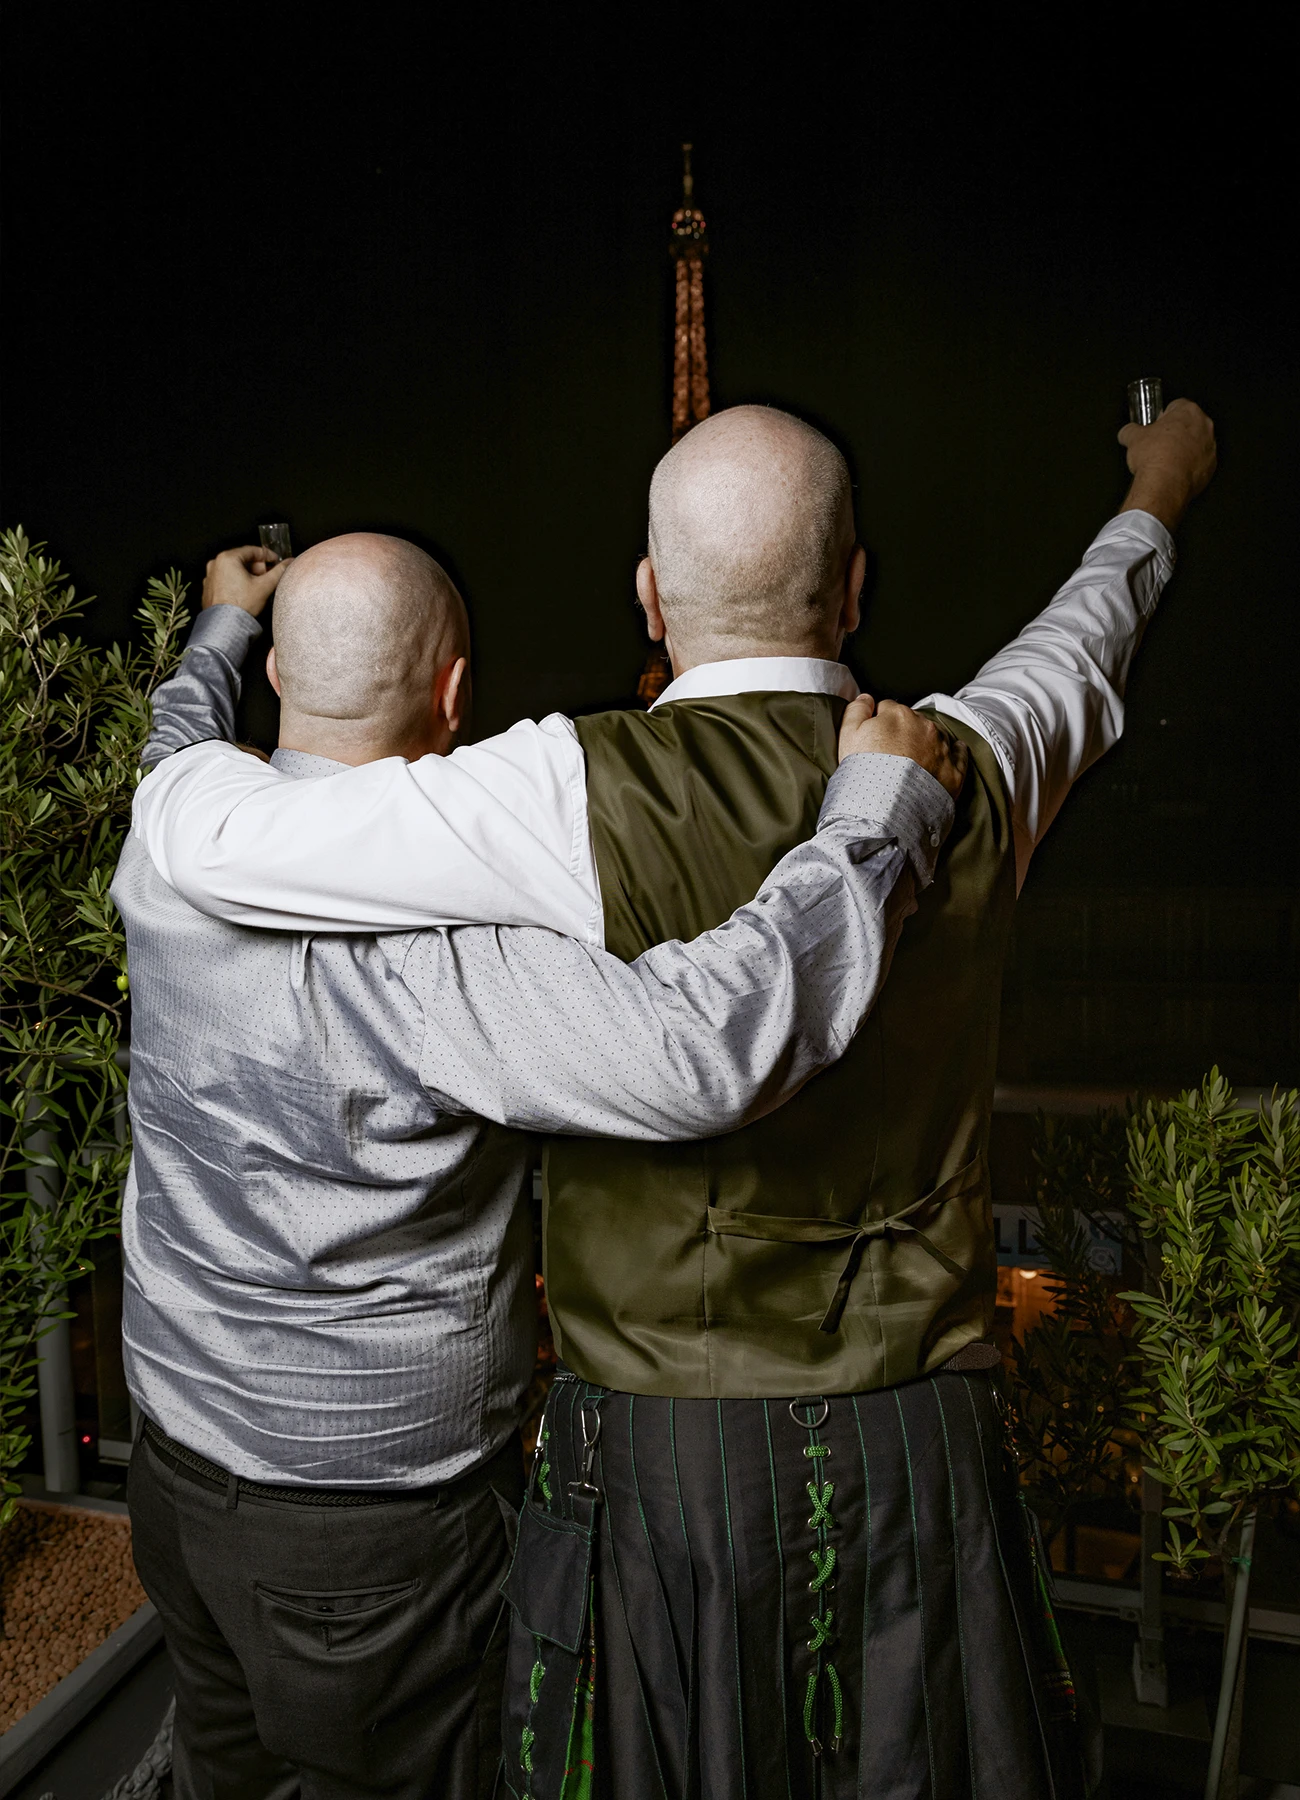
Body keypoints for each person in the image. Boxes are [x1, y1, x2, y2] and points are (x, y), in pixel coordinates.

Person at [130, 398, 1217, 1798]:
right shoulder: (973, 759)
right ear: (856, 584)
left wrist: (213, 659)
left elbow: (221, 821)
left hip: (649, 1460)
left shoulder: (556, 789)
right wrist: (1157, 497)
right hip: (921, 1442)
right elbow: (1080, 643)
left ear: (648, 594)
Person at [116, 532, 964, 1800]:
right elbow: (705, 1046)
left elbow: (174, 733)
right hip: (365, 1540)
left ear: (282, 674)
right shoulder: (435, 956)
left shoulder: (166, 830)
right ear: (455, 694)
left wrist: (220, 627)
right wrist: (877, 816)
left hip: (172, 1473)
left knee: (222, 1768)